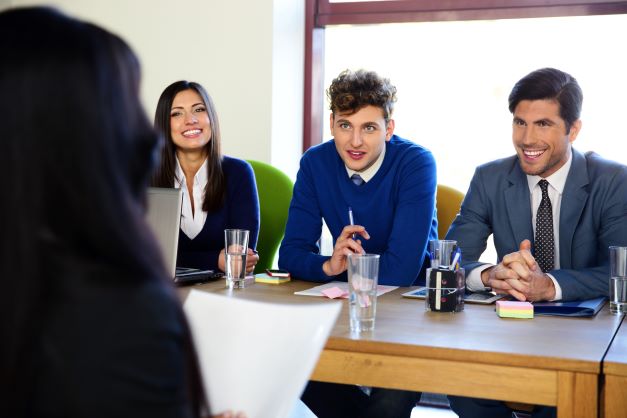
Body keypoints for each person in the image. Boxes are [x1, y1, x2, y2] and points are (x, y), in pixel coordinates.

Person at [0, 7, 243, 418]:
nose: (147, 136)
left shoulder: (237, 174)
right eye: (124, 103)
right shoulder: (127, 315)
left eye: (197, 110)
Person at [446, 67, 627, 418]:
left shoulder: (613, 180)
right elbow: (450, 259)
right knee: (463, 385)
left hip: (589, 338)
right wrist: (488, 275)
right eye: (519, 122)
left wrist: (550, 286)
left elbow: (621, 271)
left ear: (573, 129)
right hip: (512, 331)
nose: (527, 139)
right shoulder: (490, 177)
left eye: (543, 124)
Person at [280, 69, 437, 417]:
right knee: (293, 358)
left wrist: (341, 271)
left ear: (389, 129)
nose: (355, 142)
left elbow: (401, 271)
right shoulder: (315, 163)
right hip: (345, 309)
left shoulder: (415, 163)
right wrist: (328, 265)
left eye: (369, 128)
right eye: (345, 126)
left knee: (390, 400)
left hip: (408, 310)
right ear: (332, 123)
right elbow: (290, 254)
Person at [152, 81, 260, 274]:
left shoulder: (239, 173)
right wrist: (215, 260)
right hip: (162, 292)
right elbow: (145, 254)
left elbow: (239, 259)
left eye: (199, 109)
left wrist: (182, 258)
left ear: (211, 117)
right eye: (177, 113)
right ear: (164, 124)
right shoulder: (147, 177)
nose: (190, 120)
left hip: (222, 294)